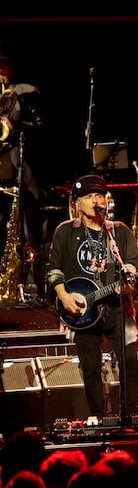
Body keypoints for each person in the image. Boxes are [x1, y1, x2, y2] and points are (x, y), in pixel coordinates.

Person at [46, 174, 138, 419]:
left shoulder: (117, 232)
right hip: (82, 310)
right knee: (91, 367)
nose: (96, 200)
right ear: (77, 203)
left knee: (129, 359)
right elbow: (54, 269)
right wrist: (64, 296)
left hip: (116, 305)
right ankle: (98, 415)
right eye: (89, 197)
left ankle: (129, 412)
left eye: (99, 195)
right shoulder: (65, 232)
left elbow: (130, 263)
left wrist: (127, 281)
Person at [0, 40, 46, 299]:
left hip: (19, 166)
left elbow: (41, 126)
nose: (1, 71)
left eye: (4, 66)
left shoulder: (24, 92)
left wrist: (16, 126)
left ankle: (31, 279)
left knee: (29, 223)